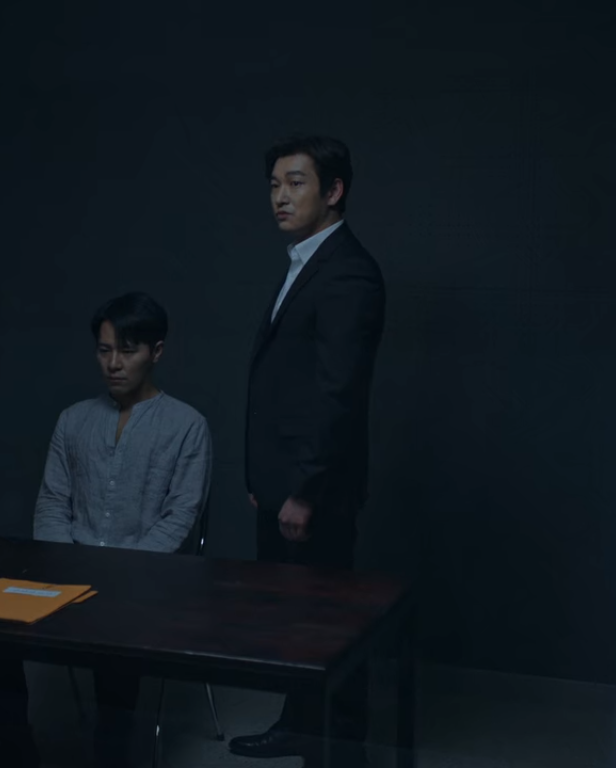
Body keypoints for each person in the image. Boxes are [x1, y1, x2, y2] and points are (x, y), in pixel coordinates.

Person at [0, 291, 214, 768]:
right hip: (66, 570)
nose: (114, 363)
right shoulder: (73, 420)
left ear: (156, 352)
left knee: (116, 635)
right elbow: (52, 503)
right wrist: (67, 567)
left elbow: (180, 519)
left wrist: (116, 575)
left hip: (144, 579)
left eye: (127, 350)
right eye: (105, 350)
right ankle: (13, 743)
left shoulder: (188, 426)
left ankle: (112, 751)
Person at [231, 135, 386, 767]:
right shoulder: (306, 261)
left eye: (295, 183)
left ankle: (340, 752)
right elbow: (286, 385)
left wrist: (302, 490)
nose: (280, 196)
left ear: (334, 191)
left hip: (314, 490)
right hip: (285, 481)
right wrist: (265, 479)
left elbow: (336, 393)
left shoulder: (347, 272)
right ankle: (299, 726)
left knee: (326, 622)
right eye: (274, 184)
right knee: (294, 619)